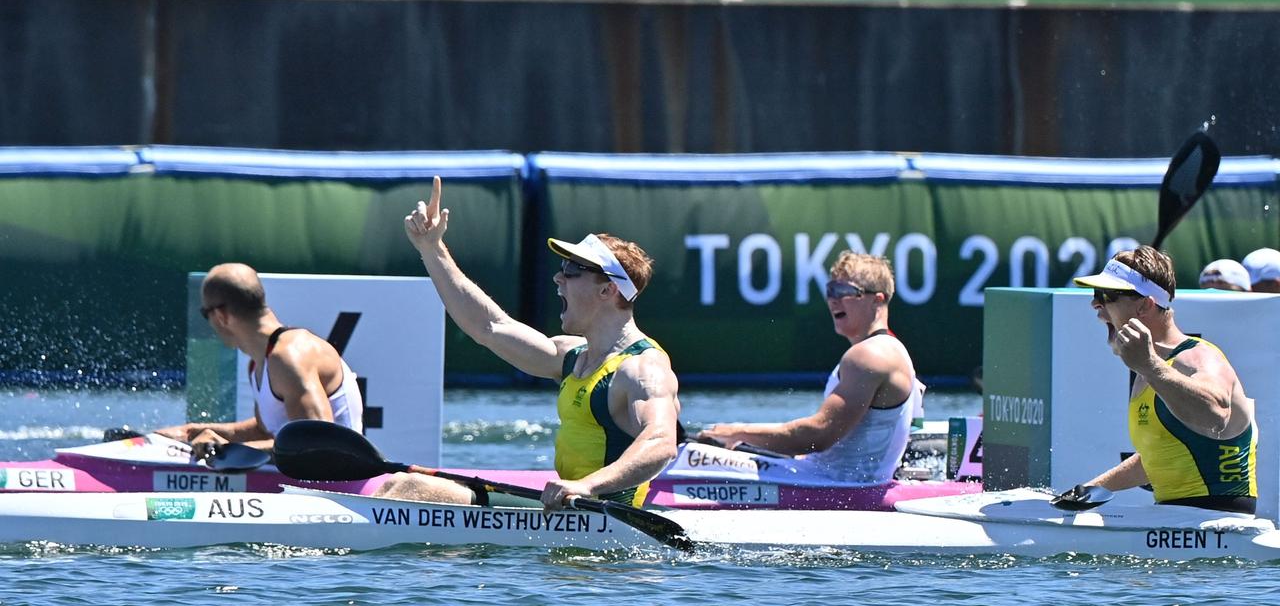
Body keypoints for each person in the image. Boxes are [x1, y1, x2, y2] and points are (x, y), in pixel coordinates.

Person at [375, 177, 680, 509]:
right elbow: (489, 326)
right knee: (399, 486)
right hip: (569, 511)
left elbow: (663, 441)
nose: (558, 278)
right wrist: (431, 248)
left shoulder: (642, 368)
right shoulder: (571, 356)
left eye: (572, 270)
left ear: (608, 290)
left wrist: (586, 486)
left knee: (410, 490)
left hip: (604, 520)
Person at [695, 251, 923, 485]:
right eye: (831, 291)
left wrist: (738, 432)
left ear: (877, 299)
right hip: (840, 480)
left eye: (845, 292)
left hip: (839, 489)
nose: (834, 300)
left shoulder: (868, 356)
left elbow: (819, 435)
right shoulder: (892, 351)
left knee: (693, 461)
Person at [1072, 246, 1257, 514]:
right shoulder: (1151, 369)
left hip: (1219, 527)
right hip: (1175, 523)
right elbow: (1162, 457)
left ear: (1145, 304)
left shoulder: (1198, 358)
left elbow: (1217, 416)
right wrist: (1091, 489)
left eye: (1106, 296)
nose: (1095, 304)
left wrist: (1150, 366)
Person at [157, 263, 364, 460]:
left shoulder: (290, 357)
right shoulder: (259, 362)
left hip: (341, 489)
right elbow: (264, 431)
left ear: (221, 316)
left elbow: (319, 444)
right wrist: (193, 432)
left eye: (205, 314)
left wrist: (227, 448)